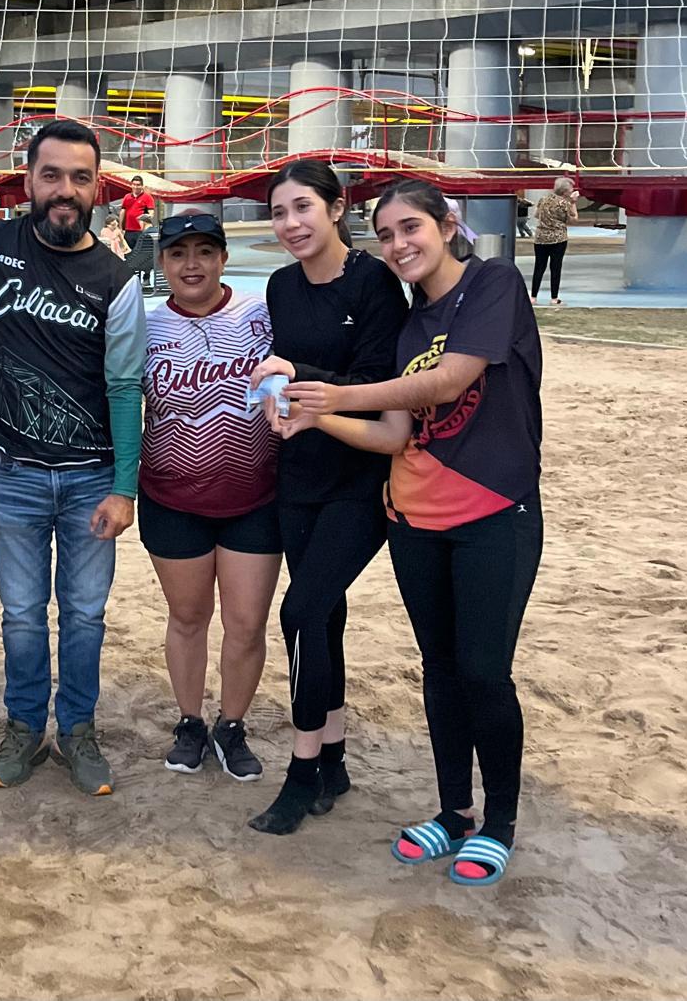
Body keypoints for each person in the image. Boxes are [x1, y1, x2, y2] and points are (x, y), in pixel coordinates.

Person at [281, 178, 543, 887]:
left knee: (485, 673)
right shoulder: (408, 325)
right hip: (416, 518)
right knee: (440, 672)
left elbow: (448, 384)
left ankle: (499, 823)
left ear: (446, 223)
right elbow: (395, 432)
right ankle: (454, 812)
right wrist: (318, 417)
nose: (399, 245)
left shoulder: (493, 284)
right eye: (387, 235)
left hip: (496, 513)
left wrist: (334, 392)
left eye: (410, 229)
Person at [0, 118, 146, 797]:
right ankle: (24, 729)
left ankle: (79, 732)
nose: (65, 190)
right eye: (52, 175)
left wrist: (125, 488)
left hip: (92, 476)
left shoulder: (116, 280)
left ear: (98, 188)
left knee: (84, 616)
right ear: (29, 180)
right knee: (22, 614)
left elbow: (124, 389)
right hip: (13, 471)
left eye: (80, 178)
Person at [246, 160, 408, 835]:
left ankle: (302, 768)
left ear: (337, 209)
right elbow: (286, 379)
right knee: (325, 618)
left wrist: (299, 377)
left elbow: (376, 383)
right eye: (280, 213)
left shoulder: (374, 283)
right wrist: (273, 400)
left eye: (303, 208)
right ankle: (334, 755)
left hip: (360, 477)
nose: (290, 224)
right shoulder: (282, 287)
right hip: (299, 470)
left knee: (301, 612)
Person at [140, 210, 280, 780]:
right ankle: (191, 721)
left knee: (247, 623)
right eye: (177, 254)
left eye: (204, 252)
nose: (191, 264)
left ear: (223, 258)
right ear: (162, 263)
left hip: (256, 493)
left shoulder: (262, 315)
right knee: (188, 615)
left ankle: (232, 723)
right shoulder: (145, 326)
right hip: (171, 495)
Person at [531, 177, 576, 305]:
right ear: (565, 191)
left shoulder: (543, 199)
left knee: (539, 267)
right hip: (558, 238)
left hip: (540, 238)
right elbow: (573, 219)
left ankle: (533, 297)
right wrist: (573, 202)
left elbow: (536, 215)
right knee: (555, 268)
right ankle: (554, 298)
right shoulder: (564, 203)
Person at [120, 175, 155, 249]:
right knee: (129, 252)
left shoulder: (147, 197)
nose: (135, 187)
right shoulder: (127, 197)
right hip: (128, 230)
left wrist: (146, 217)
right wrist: (120, 228)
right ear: (131, 185)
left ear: (142, 186)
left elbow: (151, 213)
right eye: (134, 184)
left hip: (141, 231)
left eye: (138, 185)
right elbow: (122, 212)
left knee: (141, 251)